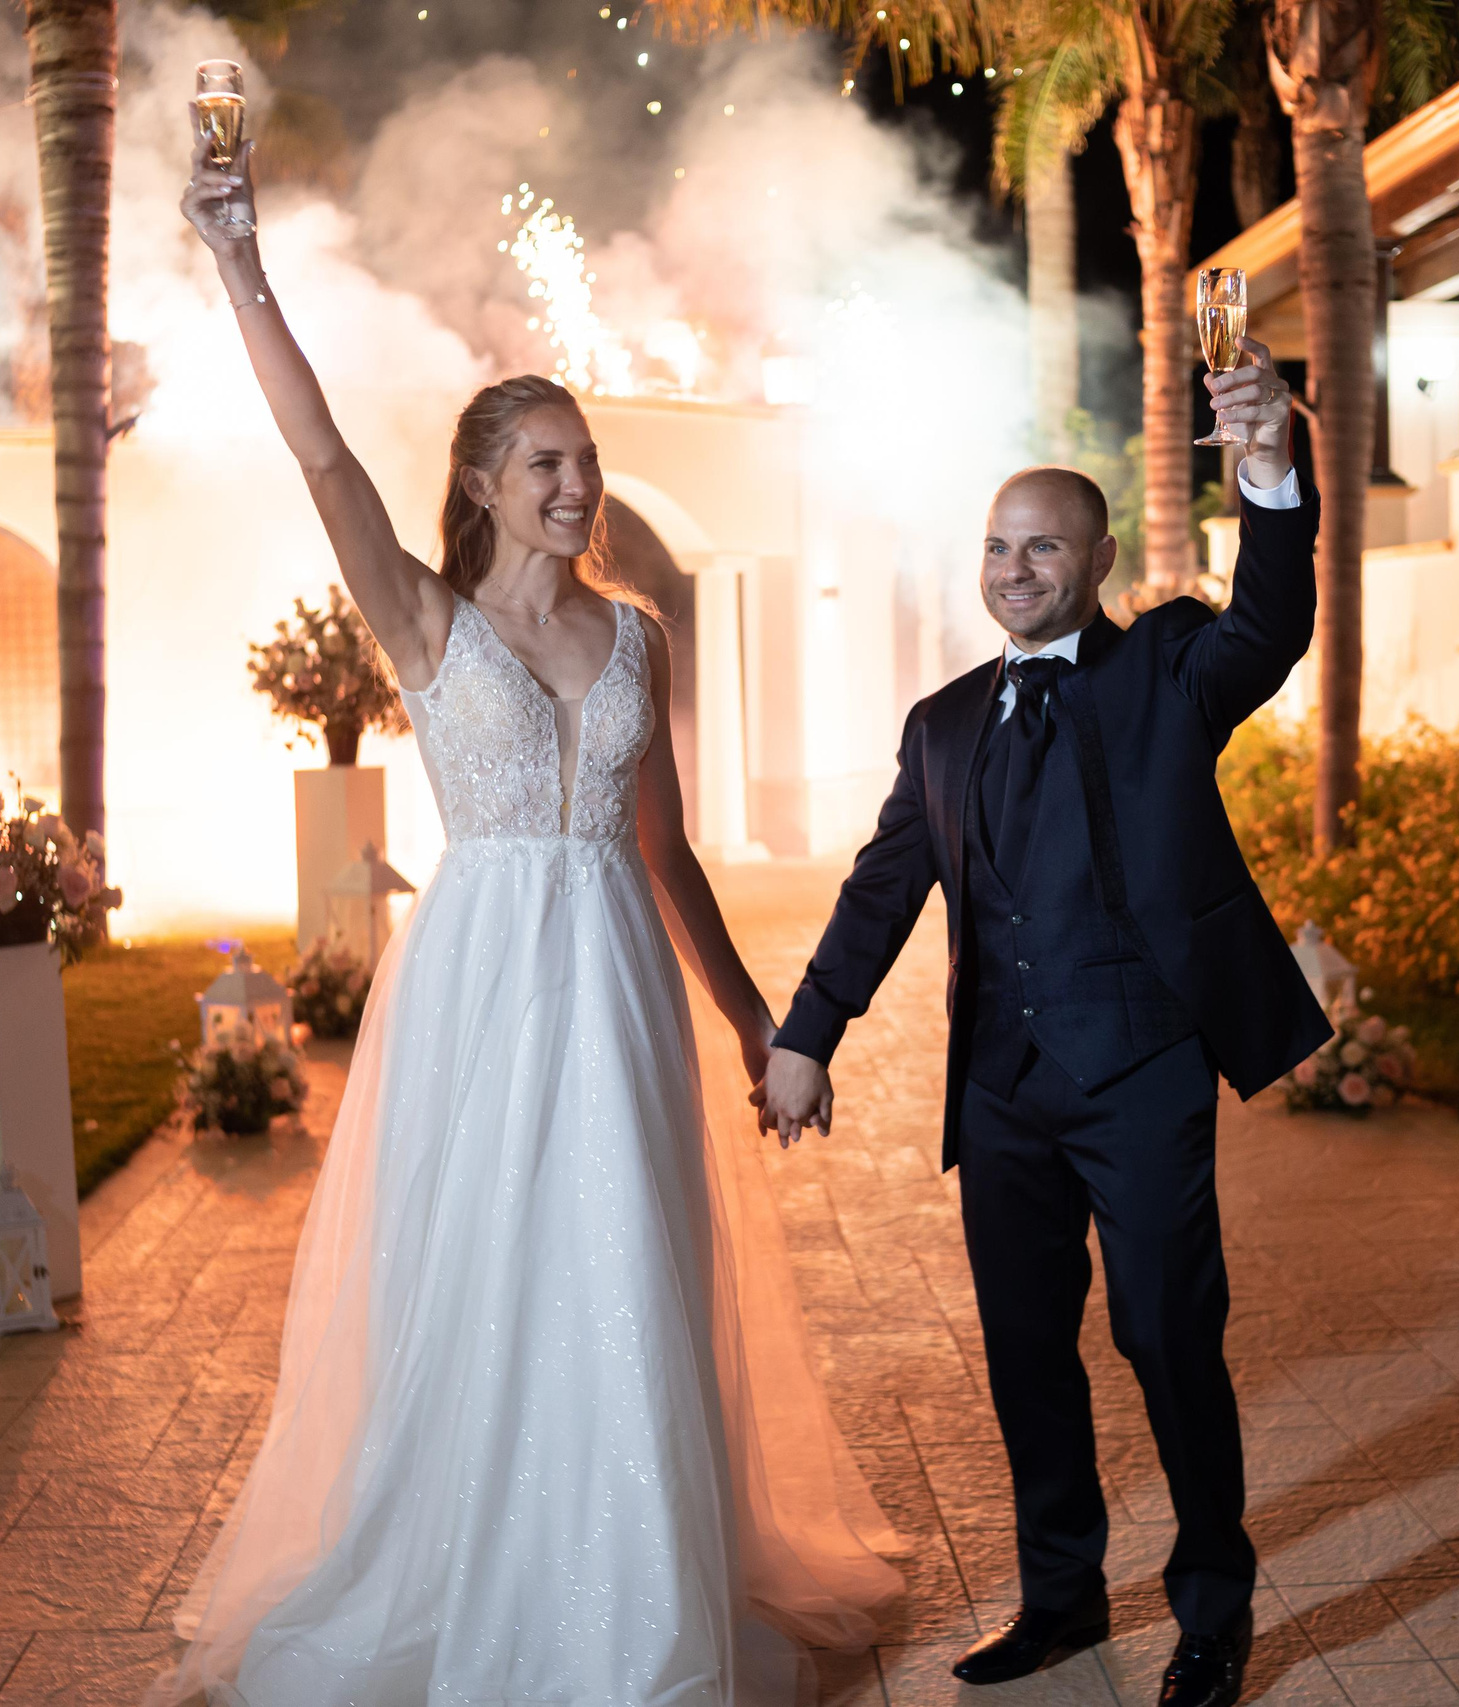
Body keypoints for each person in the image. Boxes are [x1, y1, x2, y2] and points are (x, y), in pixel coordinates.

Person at [149, 143, 898, 1705]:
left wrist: (762, 1026)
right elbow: (323, 458)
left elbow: (671, 851)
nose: (574, 481)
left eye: (585, 457)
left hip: (618, 977)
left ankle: (638, 1599)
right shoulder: (424, 617)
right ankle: (473, 1571)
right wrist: (240, 268)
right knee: (487, 1272)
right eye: (541, 460)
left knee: (625, 1265)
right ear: (483, 483)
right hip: (483, 985)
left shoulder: (634, 634)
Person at [759, 341, 1331, 1707]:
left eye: (1042, 548)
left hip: (1137, 1071)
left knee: (1166, 1333)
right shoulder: (944, 722)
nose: (1014, 569)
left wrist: (1268, 467)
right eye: (998, 547)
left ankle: (1212, 1609)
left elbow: (1275, 620)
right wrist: (809, 1028)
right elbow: (885, 886)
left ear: (1100, 555)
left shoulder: (1174, 667)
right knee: (1025, 1348)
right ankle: (1063, 1597)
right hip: (1004, 1089)